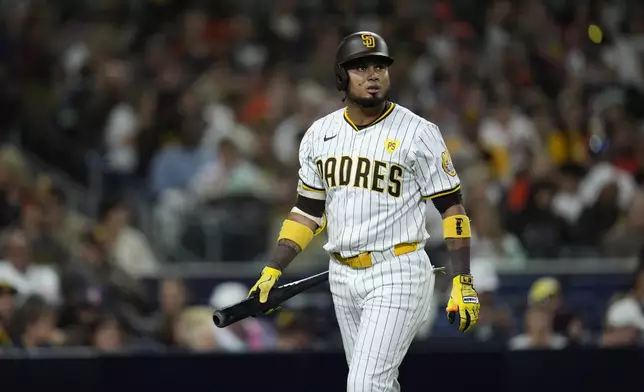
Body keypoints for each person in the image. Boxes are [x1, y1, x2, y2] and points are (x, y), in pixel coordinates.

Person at [246, 31, 480, 392]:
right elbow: (307, 211)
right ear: (342, 76)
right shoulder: (319, 134)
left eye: (380, 67)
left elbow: (453, 208)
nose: (373, 75)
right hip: (341, 275)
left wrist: (462, 279)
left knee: (365, 384)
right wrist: (273, 268)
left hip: (398, 270)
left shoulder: (418, 132)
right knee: (377, 385)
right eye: (361, 67)